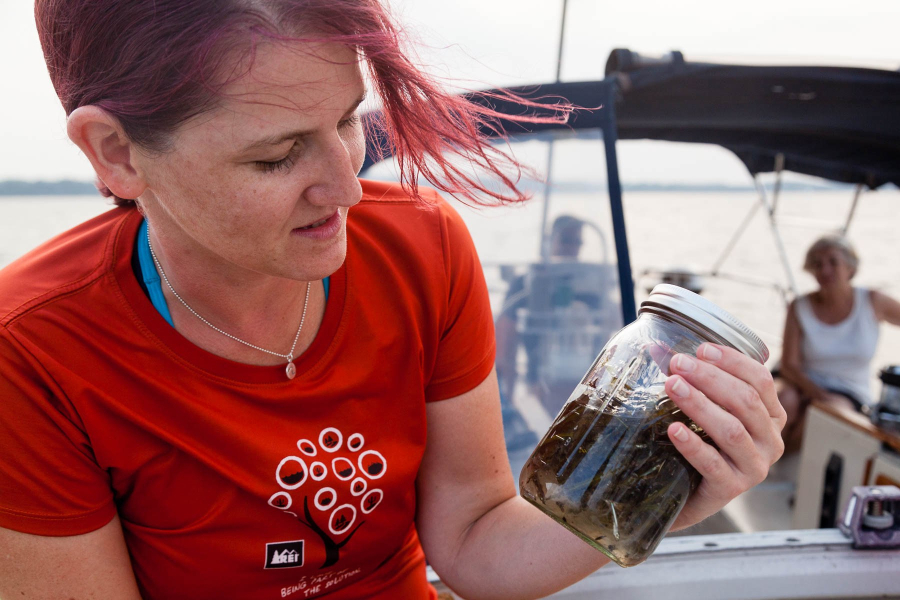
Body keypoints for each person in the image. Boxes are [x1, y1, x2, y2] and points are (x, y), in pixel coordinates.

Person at [0, 2, 785, 598]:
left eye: (347, 122)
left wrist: (648, 499)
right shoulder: (31, 352)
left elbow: (475, 541)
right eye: (276, 157)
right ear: (115, 153)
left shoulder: (422, 248)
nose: (348, 188)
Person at [778, 234, 900, 448]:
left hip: (849, 390)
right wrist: (817, 393)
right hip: (801, 381)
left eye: (833, 262)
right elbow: (789, 365)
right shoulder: (799, 306)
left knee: (825, 411)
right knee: (785, 401)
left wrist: (822, 399)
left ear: (850, 268)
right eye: (817, 264)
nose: (824, 270)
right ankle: (766, 462)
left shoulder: (873, 301)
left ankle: (776, 460)